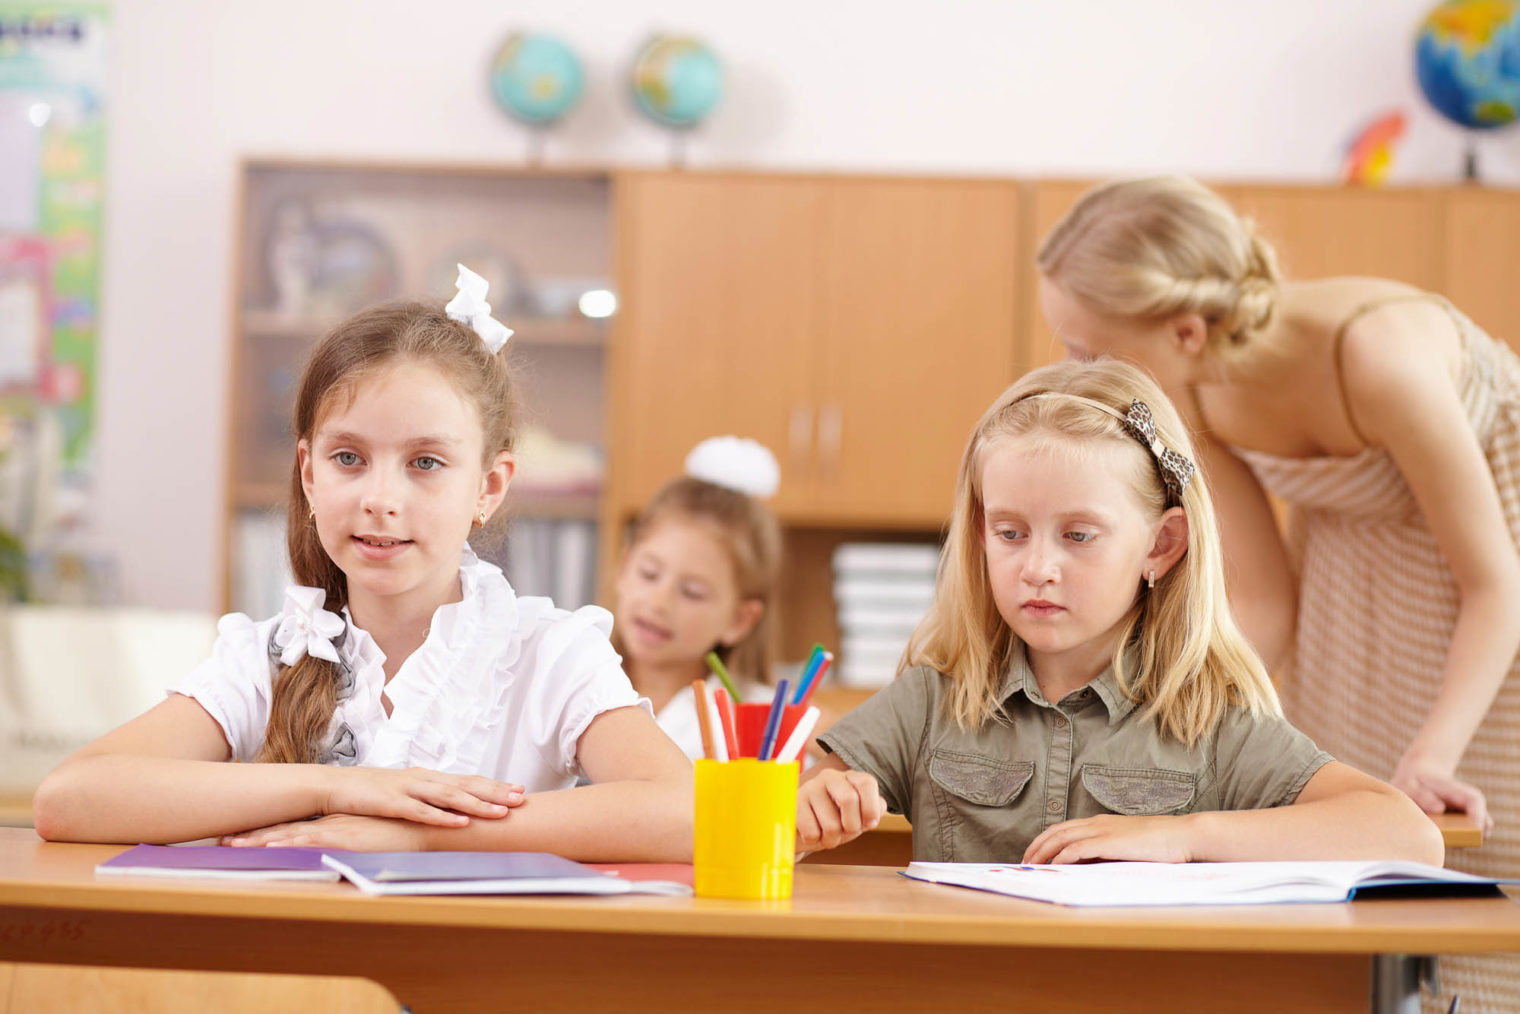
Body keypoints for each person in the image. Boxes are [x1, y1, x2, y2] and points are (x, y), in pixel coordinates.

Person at [1036, 176, 1520, 1010]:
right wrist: (1164, 728)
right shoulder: (1188, 387)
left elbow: (1495, 583)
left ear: (1186, 329)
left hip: (1492, 567)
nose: (1081, 377)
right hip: (1357, 581)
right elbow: (1264, 603)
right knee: (1359, 833)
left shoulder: (1380, 357)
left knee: (1473, 820)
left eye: (1091, 354)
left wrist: (1434, 751)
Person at [33, 266, 692, 860]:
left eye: (425, 463)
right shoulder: (269, 658)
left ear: (488, 489)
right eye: (348, 458)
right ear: (309, 475)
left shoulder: (548, 652)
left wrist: (421, 835)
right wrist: (346, 789)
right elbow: (71, 798)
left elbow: (685, 812)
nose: (380, 500)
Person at [797, 358, 1443, 872]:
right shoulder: (934, 700)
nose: (1037, 568)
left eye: (1078, 536)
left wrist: (1185, 837)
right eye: (1010, 533)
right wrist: (813, 805)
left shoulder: (1207, 721)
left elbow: (1409, 836)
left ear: (1160, 546)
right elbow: (792, 813)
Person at [611, 436, 782, 760]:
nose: (659, 602)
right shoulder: (568, 687)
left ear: (739, 620)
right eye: (648, 574)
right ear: (624, 567)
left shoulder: (766, 728)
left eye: (693, 592)